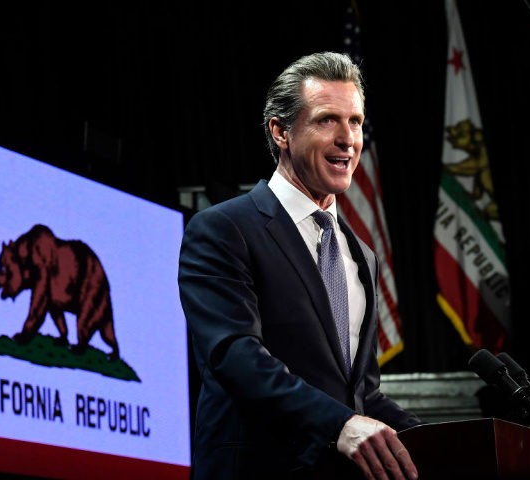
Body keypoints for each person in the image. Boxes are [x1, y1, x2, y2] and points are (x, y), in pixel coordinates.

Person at [178, 51, 422, 480]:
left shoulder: (360, 254)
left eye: (356, 122)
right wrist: (338, 424)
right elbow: (237, 358)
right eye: (328, 120)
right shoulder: (223, 229)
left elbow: (359, 394)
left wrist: (434, 440)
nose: (348, 139)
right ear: (281, 132)